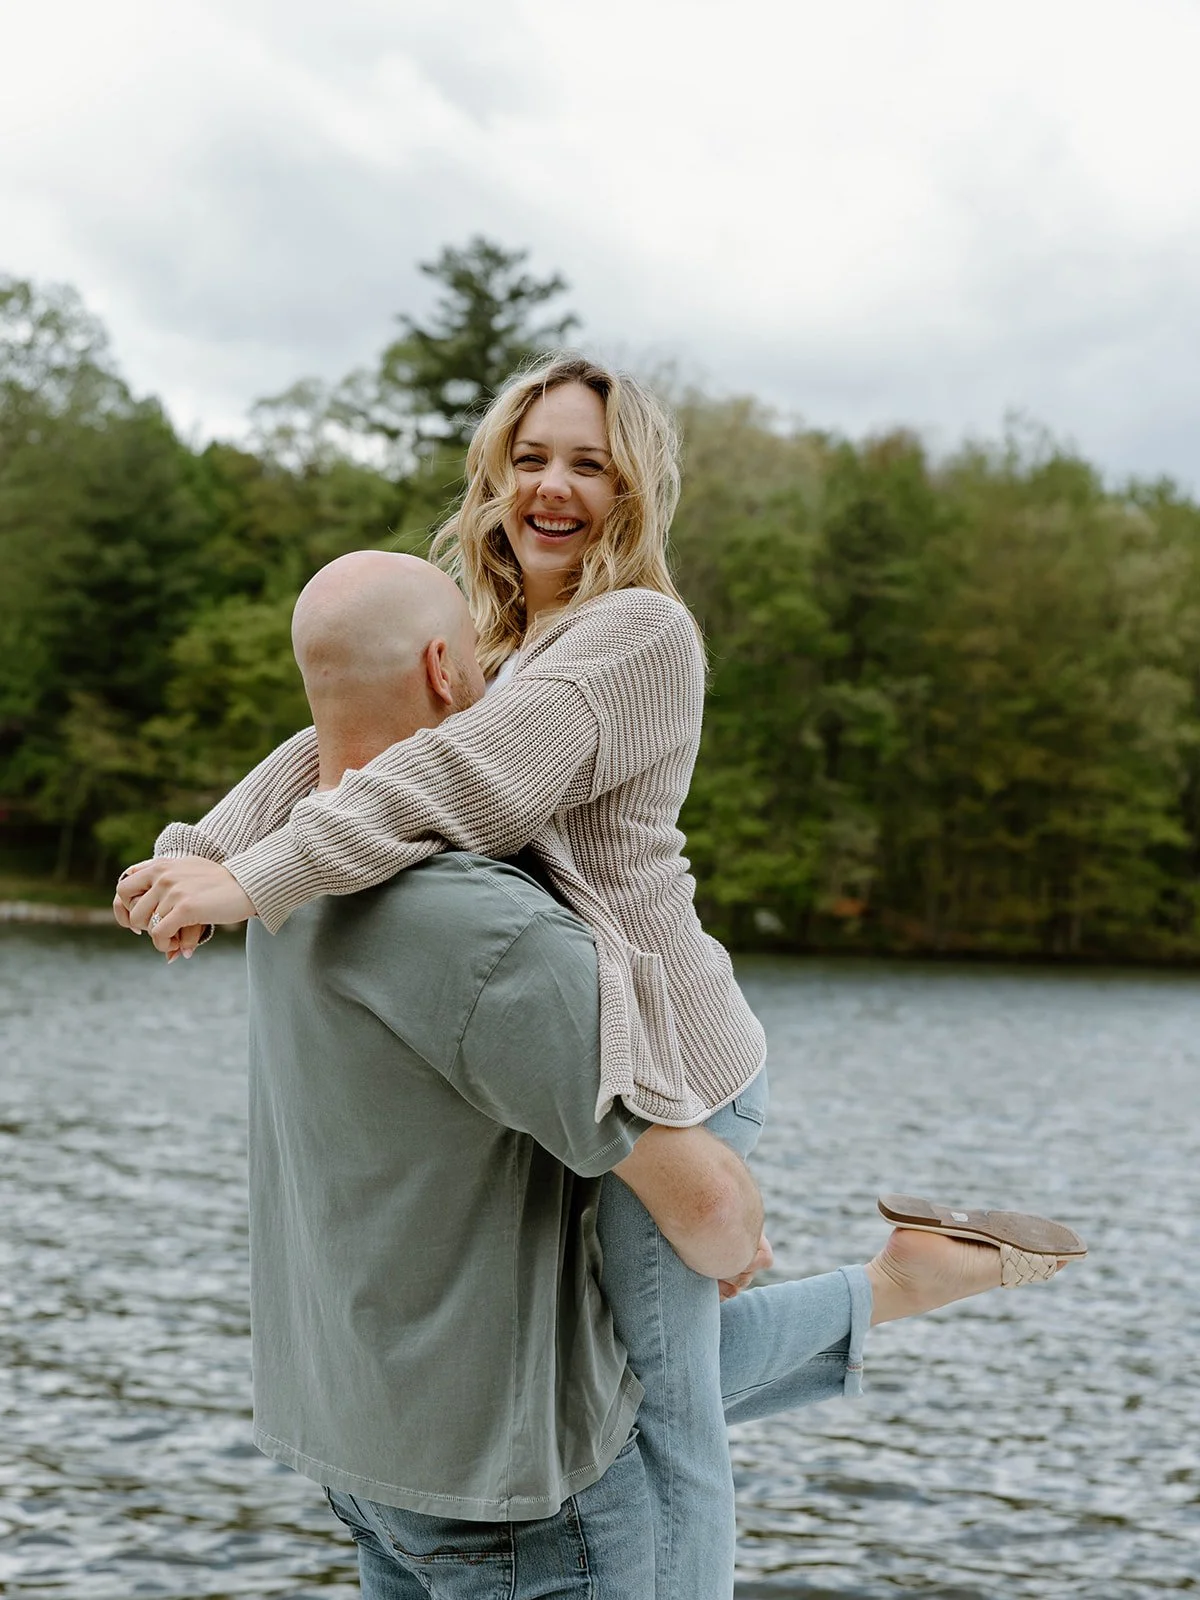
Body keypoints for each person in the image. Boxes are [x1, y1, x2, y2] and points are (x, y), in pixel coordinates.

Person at [115, 360, 1085, 1598]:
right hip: (573, 1031)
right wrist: (198, 850)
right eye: (529, 458)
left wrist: (258, 884)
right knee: (614, 1375)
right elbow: (335, 752)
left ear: (634, 486)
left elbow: (468, 782)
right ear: (494, 477)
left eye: (587, 460)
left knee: (659, 1406)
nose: (552, 486)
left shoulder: (636, 635)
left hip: (659, 1045)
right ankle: (901, 1283)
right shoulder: (494, 640)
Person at [245, 549, 769, 1598]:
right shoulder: (480, 927)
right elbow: (706, 1209)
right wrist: (742, 1228)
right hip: (520, 1506)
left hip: (370, 1462)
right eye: (484, 668)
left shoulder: (276, 884)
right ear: (445, 671)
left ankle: (901, 1286)